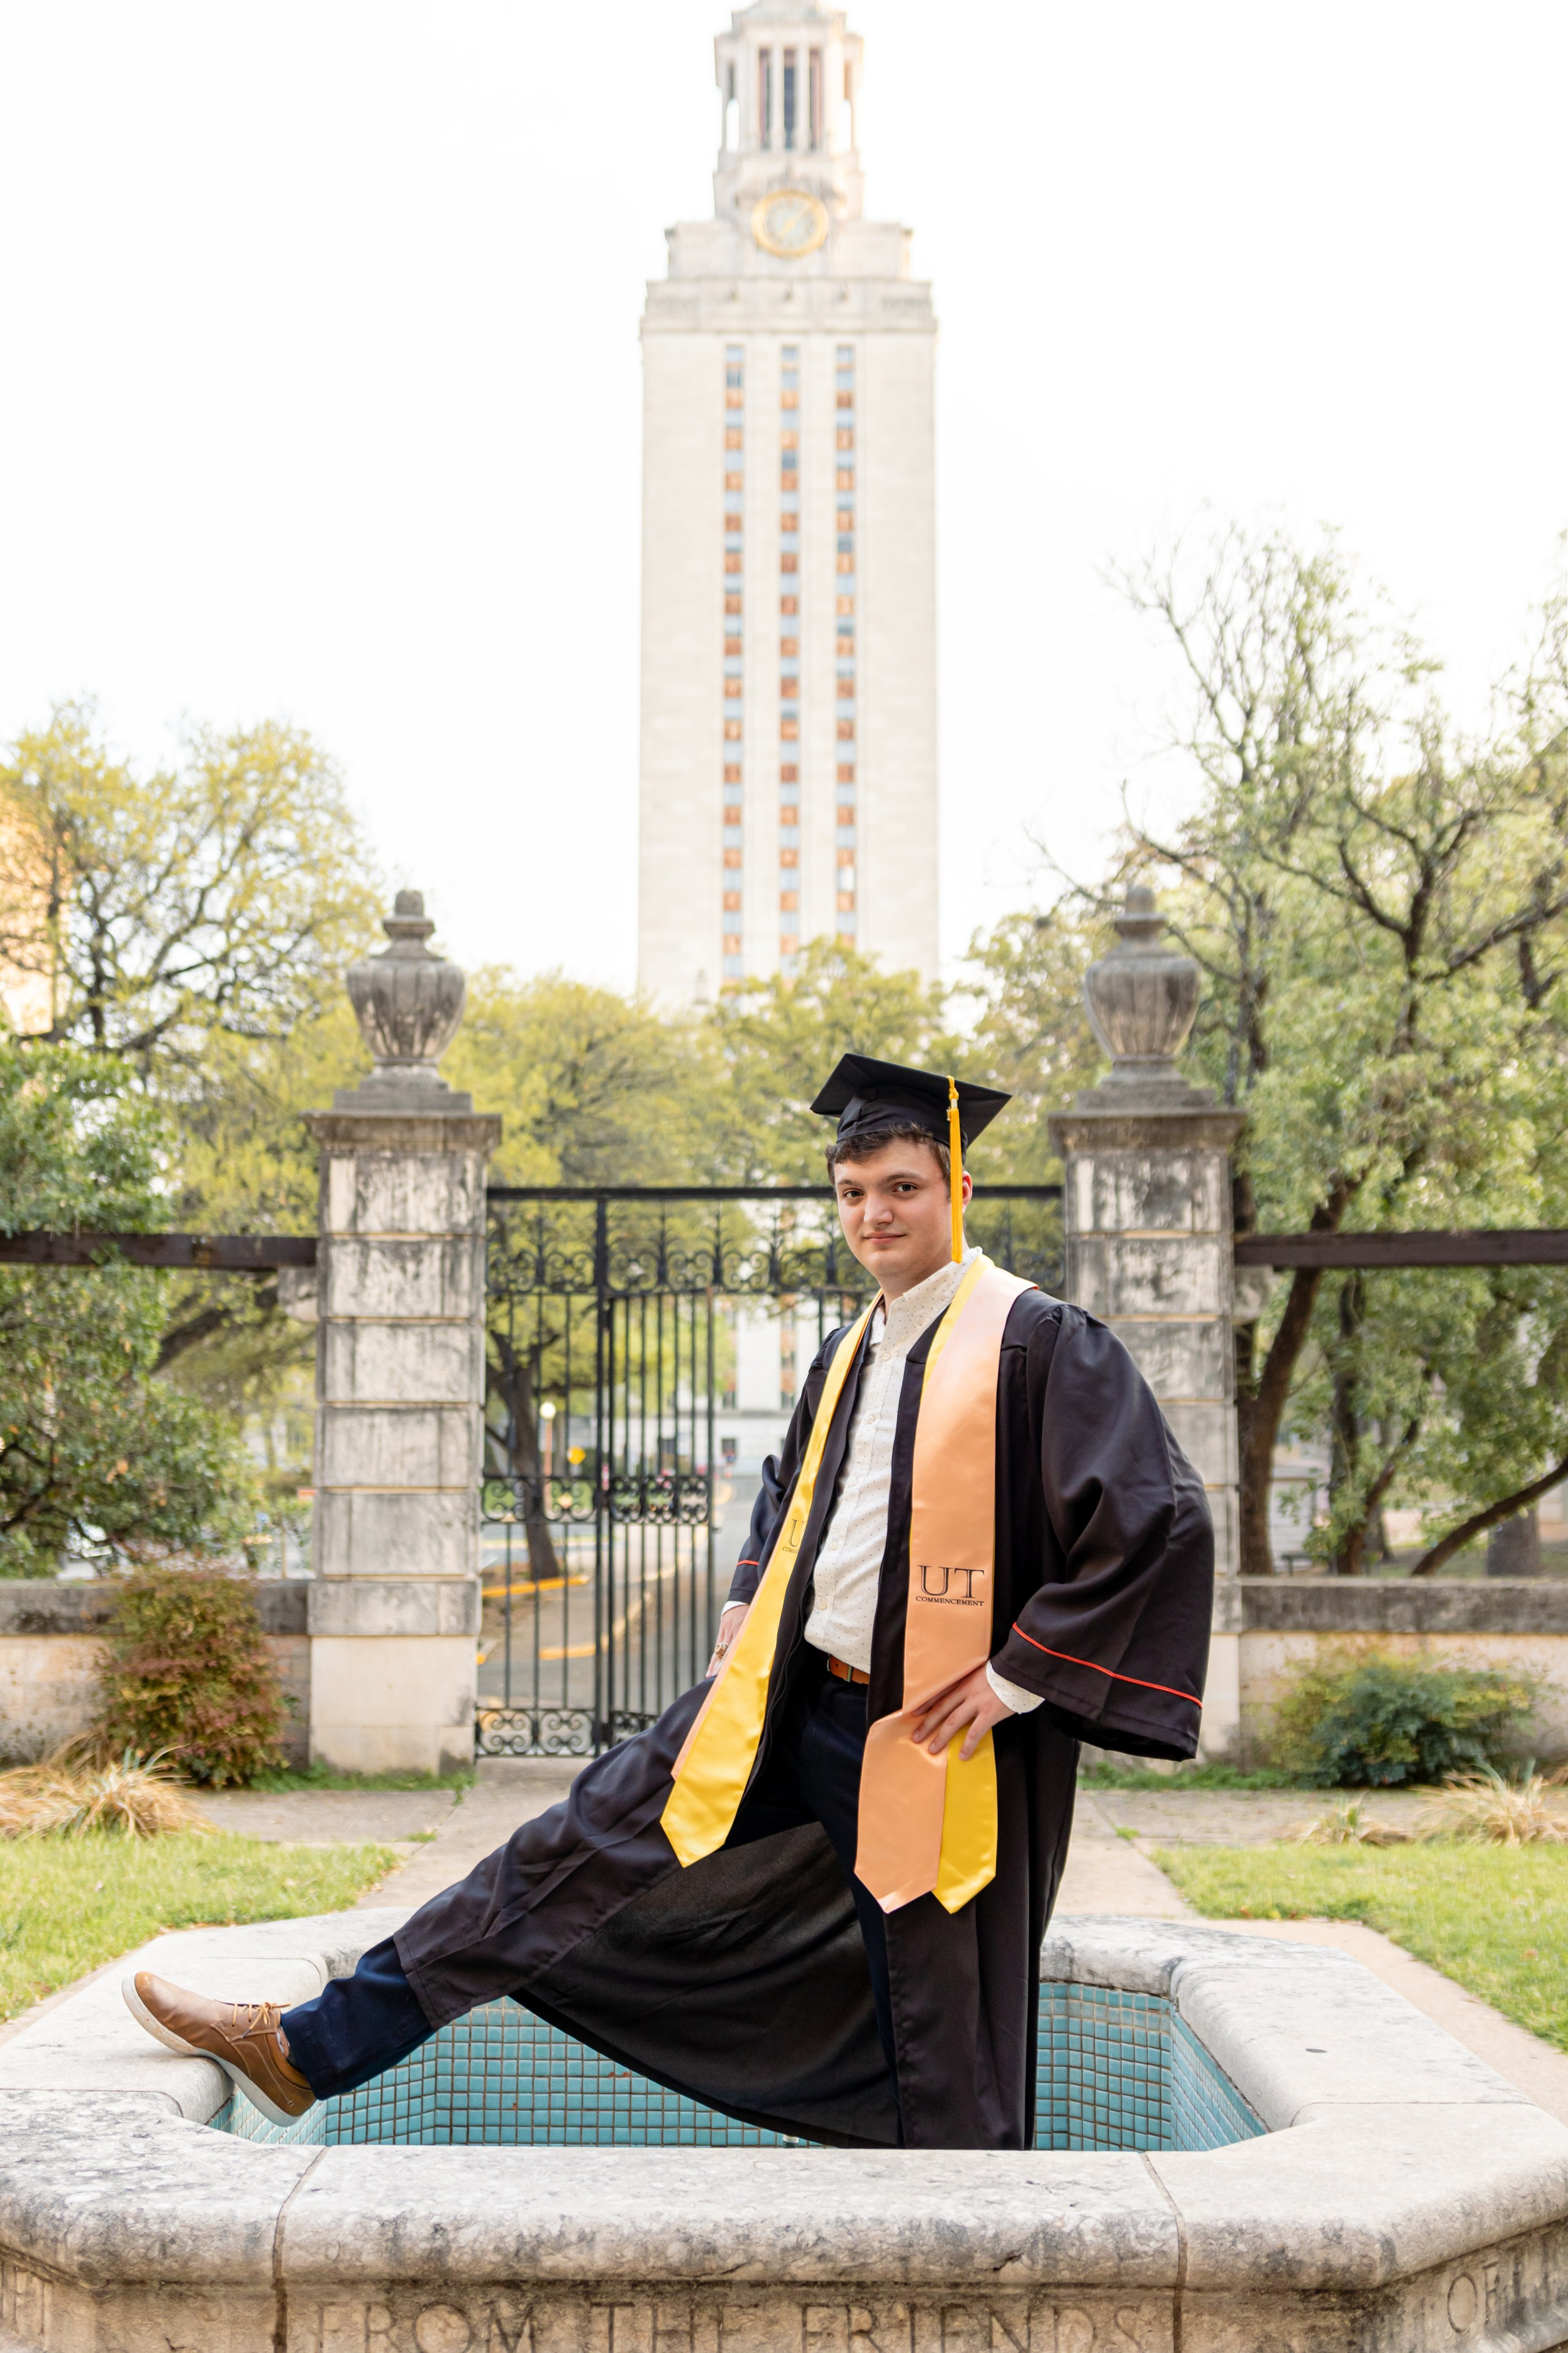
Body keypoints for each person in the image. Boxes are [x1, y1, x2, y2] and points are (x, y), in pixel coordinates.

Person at [123, 1055, 1213, 2150]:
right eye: (853, 1192)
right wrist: (750, 1599)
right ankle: (308, 2047)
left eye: (901, 1187)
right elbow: (792, 1498)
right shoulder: (849, 1350)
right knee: (567, 1850)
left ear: (959, 1190)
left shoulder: (1036, 1342)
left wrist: (1018, 1672)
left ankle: (976, 2256)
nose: (874, 1213)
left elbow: (1158, 1517)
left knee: (944, 2027)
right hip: (782, 1703)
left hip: (926, 1737)